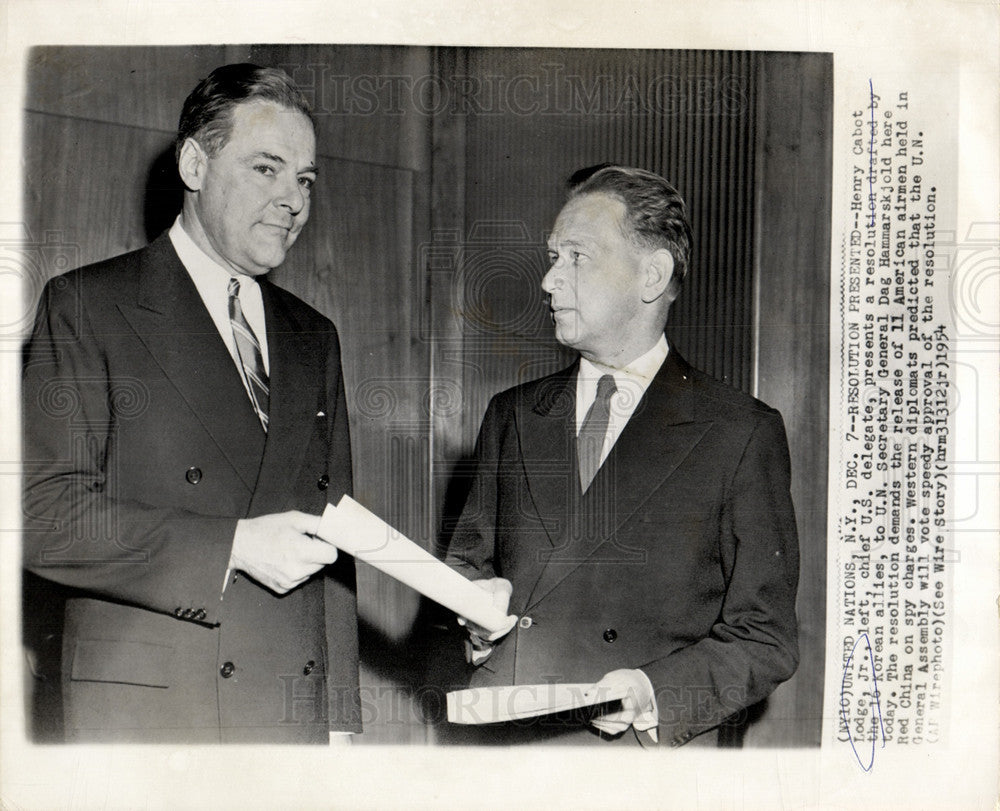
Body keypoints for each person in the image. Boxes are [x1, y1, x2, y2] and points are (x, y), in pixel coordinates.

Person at [22, 64, 360, 743]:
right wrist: (230, 546)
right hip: (150, 716)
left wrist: (340, 721)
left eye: (306, 181)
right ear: (195, 164)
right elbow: (41, 515)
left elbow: (335, 542)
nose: (293, 200)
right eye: (267, 169)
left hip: (286, 714)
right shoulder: (89, 306)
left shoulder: (313, 335)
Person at [445, 165, 800, 747]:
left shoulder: (739, 432)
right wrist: (476, 622)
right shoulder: (512, 415)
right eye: (552, 257)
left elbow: (766, 637)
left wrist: (651, 690)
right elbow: (468, 567)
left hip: (640, 761)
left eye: (577, 257)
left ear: (651, 275)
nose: (549, 281)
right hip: (509, 752)